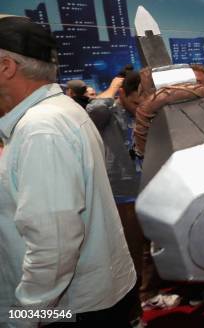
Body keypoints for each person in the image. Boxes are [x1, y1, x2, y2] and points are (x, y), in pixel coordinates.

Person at [0, 16, 136, 326]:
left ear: (6, 66)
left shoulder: (40, 129)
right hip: (84, 300)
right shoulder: (58, 111)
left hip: (69, 309)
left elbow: (54, 245)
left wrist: (22, 318)